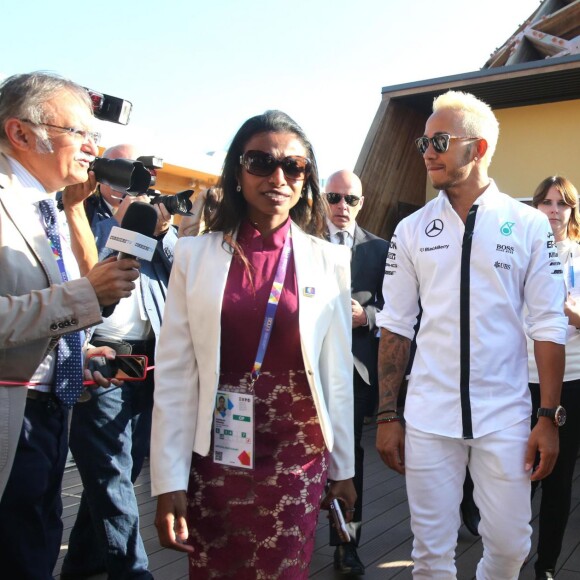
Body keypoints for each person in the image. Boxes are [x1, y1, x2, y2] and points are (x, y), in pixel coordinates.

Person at [151, 109, 356, 579]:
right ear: (237, 171)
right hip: (215, 450)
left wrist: (343, 467)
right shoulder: (193, 256)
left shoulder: (330, 261)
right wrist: (167, 479)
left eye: (294, 166)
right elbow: (177, 375)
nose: (278, 176)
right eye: (260, 162)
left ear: (307, 179)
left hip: (296, 456)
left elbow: (336, 374)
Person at [375, 90, 568, 579]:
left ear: (478, 149)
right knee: (430, 557)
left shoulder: (527, 224)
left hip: (504, 415)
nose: (428, 153)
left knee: (509, 547)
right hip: (427, 417)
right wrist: (386, 414)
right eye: (423, 143)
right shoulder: (411, 228)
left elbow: (548, 324)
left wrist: (547, 416)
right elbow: (396, 325)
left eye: (439, 140)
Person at [0, 72, 140, 579]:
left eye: (95, 135)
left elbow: (33, 304)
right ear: (20, 134)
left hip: (48, 415)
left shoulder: (48, 204)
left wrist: (72, 355)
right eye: (80, 132)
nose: (93, 149)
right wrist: (87, 295)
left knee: (35, 551)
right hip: (12, 419)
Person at [61, 143, 176, 580]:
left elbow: (173, 271)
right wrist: (118, 223)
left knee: (124, 466)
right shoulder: (75, 212)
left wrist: (159, 230)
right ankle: (133, 572)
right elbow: (84, 275)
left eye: (144, 171)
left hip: (147, 357)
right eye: (127, 171)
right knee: (110, 467)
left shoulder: (155, 219)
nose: (137, 181)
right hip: (99, 350)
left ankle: (80, 566)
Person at [324, 169, 389, 575]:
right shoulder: (302, 243)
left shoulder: (381, 250)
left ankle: (346, 543)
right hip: (304, 369)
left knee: (349, 458)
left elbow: (401, 309)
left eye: (351, 199)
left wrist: (367, 315)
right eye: (334, 197)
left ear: (362, 203)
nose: (342, 206)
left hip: (354, 371)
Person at [528, 175, 580, 580]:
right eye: (546, 202)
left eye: (561, 203)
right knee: (517, 476)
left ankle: (546, 564)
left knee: (559, 480)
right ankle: (508, 555)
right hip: (521, 378)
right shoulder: (520, 252)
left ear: (572, 210)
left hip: (572, 380)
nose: (553, 210)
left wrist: (570, 311)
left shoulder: (579, 256)